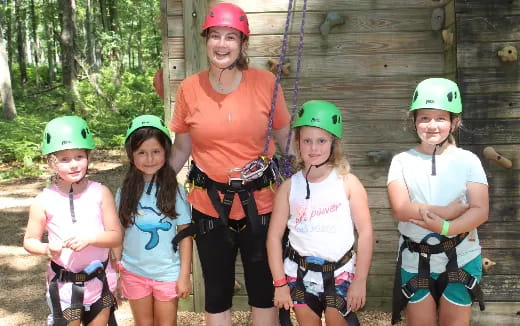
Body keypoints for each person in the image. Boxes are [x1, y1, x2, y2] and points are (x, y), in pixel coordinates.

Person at [168, 3, 292, 325]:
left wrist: (315, 181)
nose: (222, 44)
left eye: (231, 37)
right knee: (217, 291)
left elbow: (287, 141)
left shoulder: (266, 84)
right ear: (205, 40)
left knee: (264, 290)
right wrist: (155, 182)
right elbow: (182, 147)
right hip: (209, 206)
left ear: (242, 44)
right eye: (216, 36)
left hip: (262, 203)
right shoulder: (189, 89)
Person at [387, 78, 489, 325]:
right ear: (414, 121)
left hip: (461, 258)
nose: (432, 125)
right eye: (424, 118)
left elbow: (480, 210)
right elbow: (401, 209)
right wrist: (448, 211)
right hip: (416, 259)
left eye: (441, 118)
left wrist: (444, 227)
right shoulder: (401, 161)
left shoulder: (468, 161)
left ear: (455, 122)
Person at [266, 100, 374, 326]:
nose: (313, 148)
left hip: (340, 274)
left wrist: (360, 280)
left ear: (333, 143)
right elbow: (274, 237)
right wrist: (280, 283)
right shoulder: (288, 188)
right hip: (300, 275)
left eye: (321, 141)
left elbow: (365, 233)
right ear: (297, 142)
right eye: (307, 141)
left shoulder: (348, 183)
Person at [23, 116, 122, 326]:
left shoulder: (101, 193)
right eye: (65, 159)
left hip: (99, 283)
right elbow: (30, 241)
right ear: (51, 161)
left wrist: (91, 238)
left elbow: (116, 235)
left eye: (79, 156)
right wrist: (47, 248)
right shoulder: (43, 200)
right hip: (64, 288)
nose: (74, 164)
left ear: (89, 156)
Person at [112, 115, 192, 326]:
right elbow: (119, 233)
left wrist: (184, 275)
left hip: (167, 273)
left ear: (166, 151)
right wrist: (117, 272)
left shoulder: (175, 190)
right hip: (133, 272)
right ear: (131, 156)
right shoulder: (125, 191)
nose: (149, 159)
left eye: (156, 152)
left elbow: (185, 234)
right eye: (142, 153)